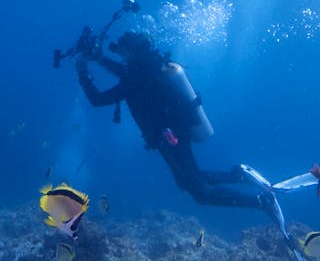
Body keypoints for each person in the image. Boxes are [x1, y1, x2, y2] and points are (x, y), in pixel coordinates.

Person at [74, 30, 285, 225]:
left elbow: (98, 99)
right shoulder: (146, 70)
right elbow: (124, 73)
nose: (122, 56)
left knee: (201, 193)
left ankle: (262, 201)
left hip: (170, 138)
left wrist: (83, 72)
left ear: (132, 53)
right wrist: (99, 58)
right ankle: (238, 175)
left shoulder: (135, 79)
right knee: (188, 181)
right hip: (175, 132)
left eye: (124, 52)